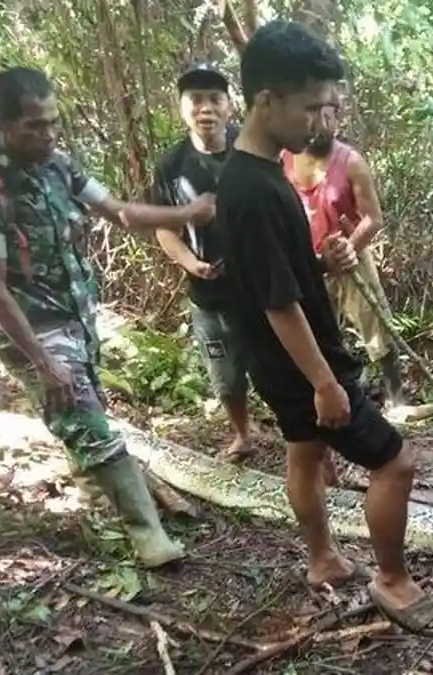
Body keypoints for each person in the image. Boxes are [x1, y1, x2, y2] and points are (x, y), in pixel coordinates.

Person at [214, 20, 433, 634]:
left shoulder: (261, 173)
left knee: (303, 448)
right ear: (268, 101)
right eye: (311, 106)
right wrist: (325, 382)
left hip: (278, 358)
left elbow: (280, 275)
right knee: (395, 464)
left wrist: (324, 261)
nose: (321, 121)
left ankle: (322, 558)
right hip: (300, 358)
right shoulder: (255, 189)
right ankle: (392, 579)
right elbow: (277, 303)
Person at [0, 67, 216, 568]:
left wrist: (188, 214)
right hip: (30, 326)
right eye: (34, 125)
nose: (48, 134)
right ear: (4, 124)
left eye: (53, 122)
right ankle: (149, 535)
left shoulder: (59, 167)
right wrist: (42, 361)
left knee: (83, 408)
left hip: (75, 314)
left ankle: (96, 496)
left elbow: (120, 213)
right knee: (84, 415)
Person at [282, 105, 433, 424]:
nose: (320, 125)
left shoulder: (350, 162)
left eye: (328, 117)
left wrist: (347, 251)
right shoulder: (284, 157)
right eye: (313, 116)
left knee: (375, 324)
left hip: (349, 254)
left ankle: (397, 400)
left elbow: (373, 219)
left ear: (337, 121)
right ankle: (325, 397)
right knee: (315, 328)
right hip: (306, 260)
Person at [151, 63, 254, 461]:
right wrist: (191, 263)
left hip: (260, 289)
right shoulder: (171, 165)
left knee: (282, 369)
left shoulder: (250, 151)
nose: (205, 108)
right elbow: (163, 228)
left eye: (214, 99)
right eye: (195, 100)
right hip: (207, 295)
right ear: (181, 108)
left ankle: (315, 452)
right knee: (225, 376)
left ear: (230, 106)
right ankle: (242, 435)